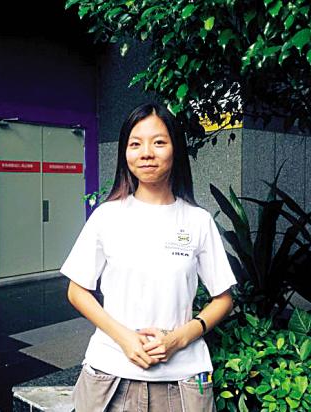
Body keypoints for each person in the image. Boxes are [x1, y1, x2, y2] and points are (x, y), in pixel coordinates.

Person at [61, 103, 237, 411]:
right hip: (109, 373)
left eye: (158, 142)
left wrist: (178, 339)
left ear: (175, 150)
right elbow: (77, 291)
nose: (146, 153)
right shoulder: (106, 217)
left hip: (182, 379)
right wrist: (125, 339)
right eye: (135, 144)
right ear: (125, 153)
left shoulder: (198, 221)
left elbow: (223, 299)